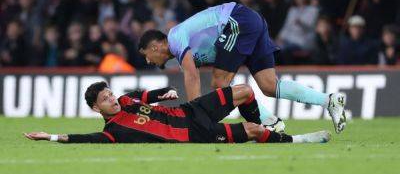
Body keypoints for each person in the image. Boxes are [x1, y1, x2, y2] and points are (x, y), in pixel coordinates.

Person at [138, 2, 347, 134]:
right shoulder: (184, 45)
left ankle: (268, 122)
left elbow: (192, 76)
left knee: (220, 82)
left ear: (155, 46)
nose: (148, 61)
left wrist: (195, 117)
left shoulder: (175, 38)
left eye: (146, 55)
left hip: (237, 21)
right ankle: (329, 101)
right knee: (269, 86)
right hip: (250, 21)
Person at [24, 81, 330, 144]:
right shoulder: (112, 133)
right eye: (105, 99)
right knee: (250, 132)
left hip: (189, 110)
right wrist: (49, 137)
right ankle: (296, 141)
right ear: (96, 109)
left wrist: (164, 94)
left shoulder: (127, 101)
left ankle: (271, 125)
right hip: (193, 133)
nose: (112, 99)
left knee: (245, 91)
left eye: (110, 94)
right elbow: (83, 139)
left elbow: (148, 95)